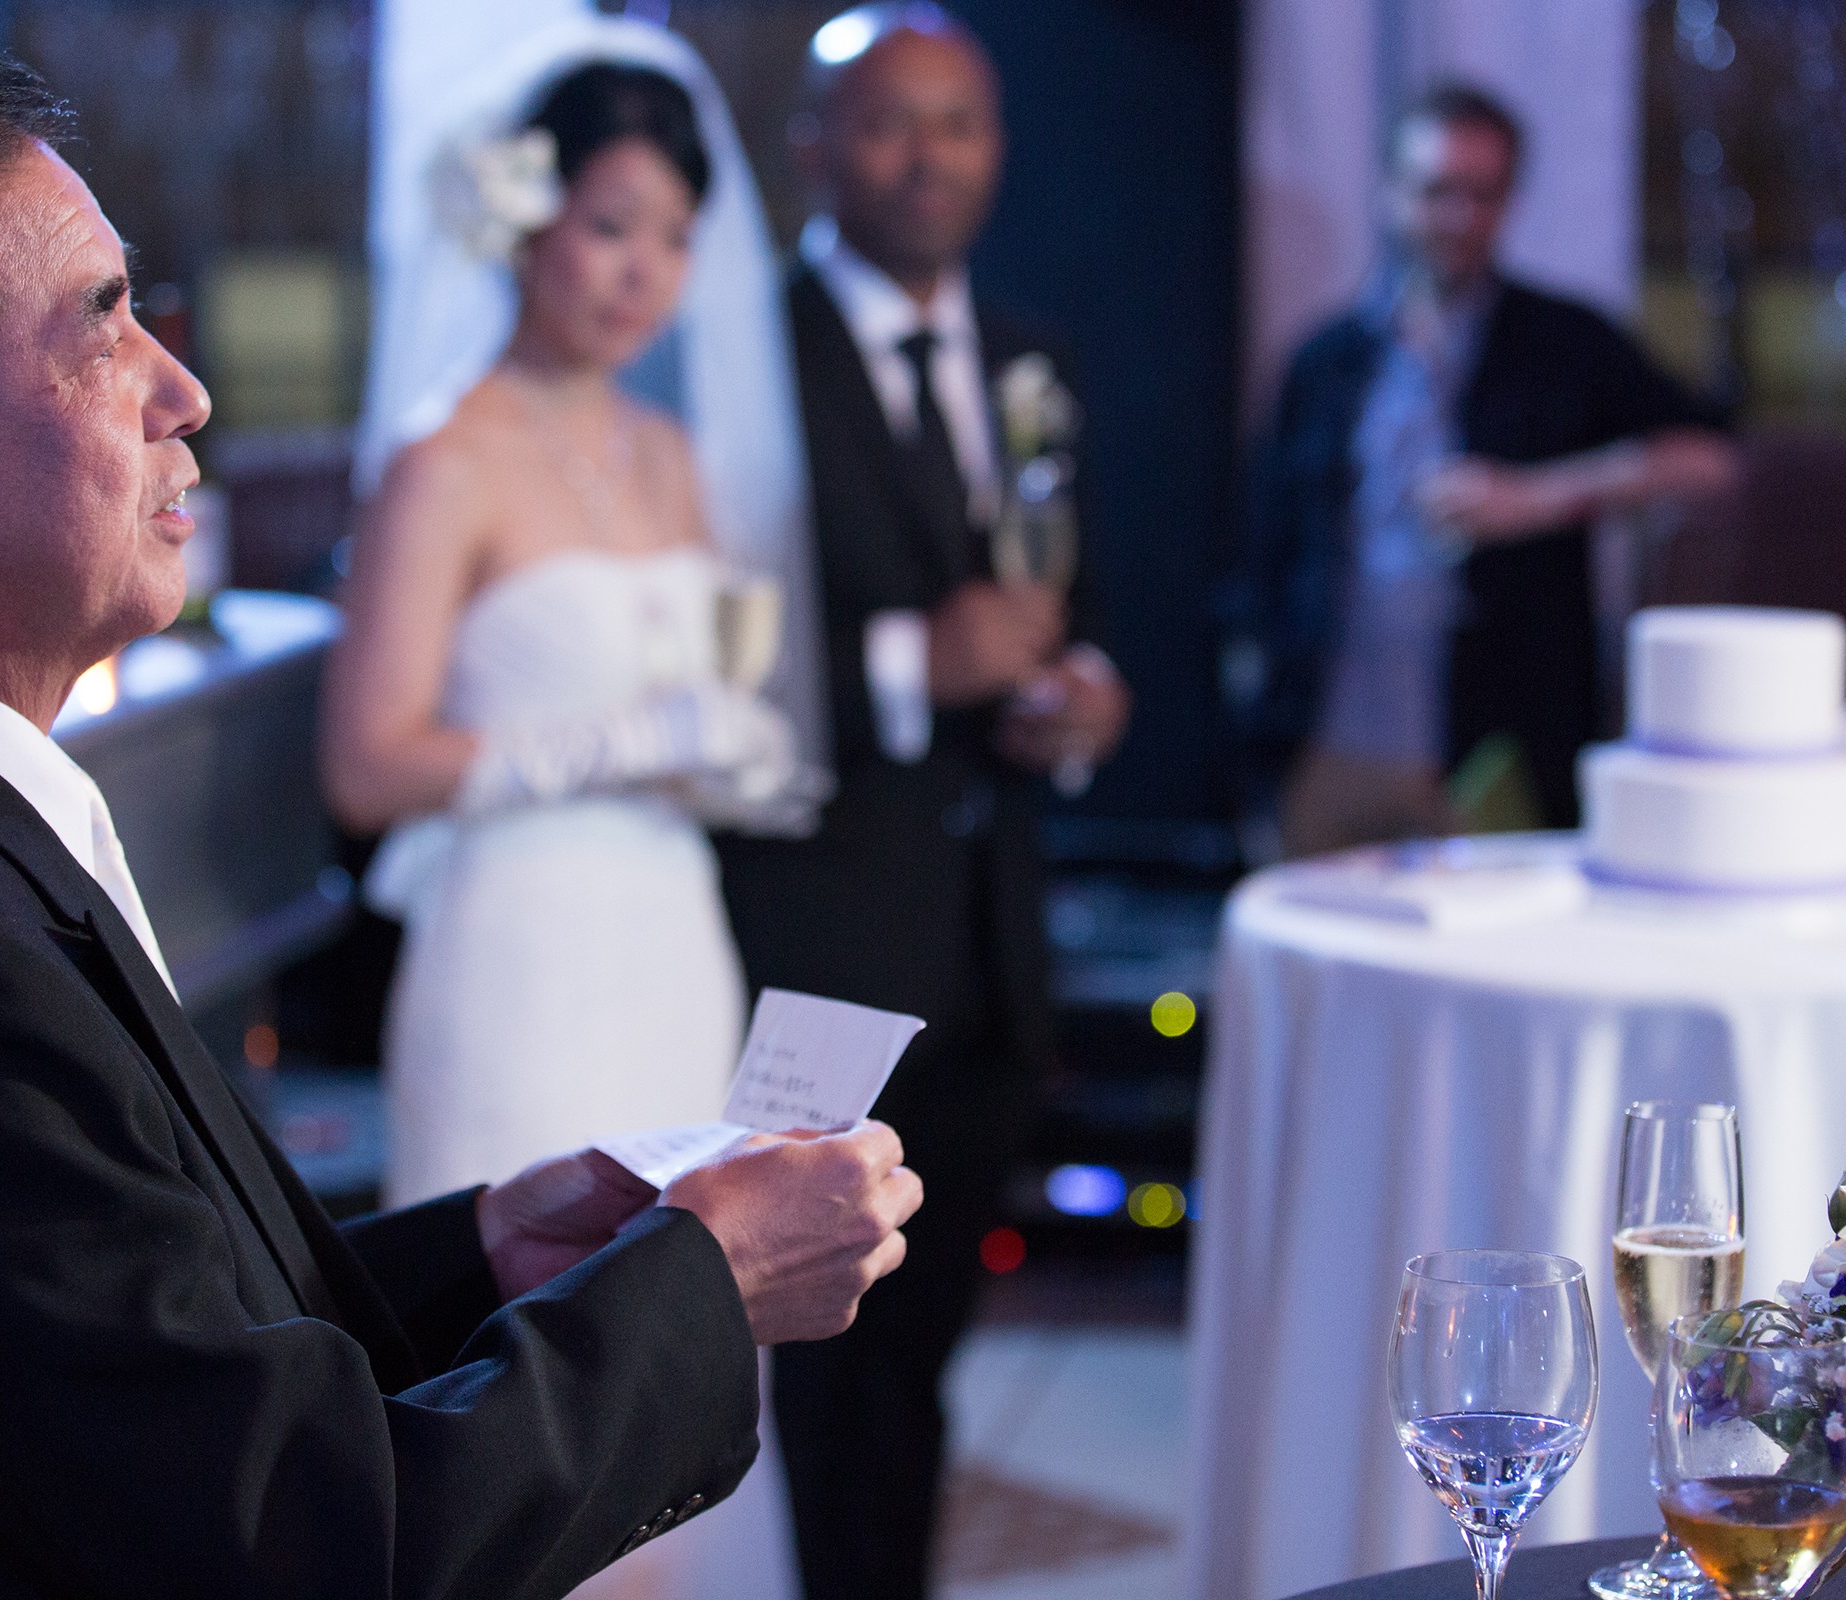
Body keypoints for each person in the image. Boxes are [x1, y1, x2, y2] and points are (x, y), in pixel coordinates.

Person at [0, 42, 921, 1599]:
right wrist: (706, 1289)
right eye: (100, 336)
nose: (186, 387)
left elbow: (139, 1358)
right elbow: (302, 1540)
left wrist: (490, 1251)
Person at [712, 10, 1129, 1600]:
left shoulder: (1034, 357)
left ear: (998, 147)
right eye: (890, 123)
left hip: (988, 943)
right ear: (816, 142)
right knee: (822, 1365)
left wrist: (1076, 697)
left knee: (929, 1355)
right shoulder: (746, 352)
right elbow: (705, 635)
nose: (928, 156)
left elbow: (1058, 600)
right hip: (820, 931)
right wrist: (911, 662)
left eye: (958, 124)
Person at [326, 58, 793, 1211]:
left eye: (677, 238)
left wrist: (731, 756)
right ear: (529, 222)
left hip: (677, 940)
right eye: (612, 226)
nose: (646, 273)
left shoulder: (668, 454)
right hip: (517, 960)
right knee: (527, 1328)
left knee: (687, 1304)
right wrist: (609, 747)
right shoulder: (443, 465)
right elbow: (366, 767)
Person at [1231, 82, 1737, 860]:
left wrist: (1539, 498)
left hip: (1490, 755)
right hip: (1327, 746)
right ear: (1391, 191)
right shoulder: (1328, 361)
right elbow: (1262, 556)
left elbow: (1709, 459)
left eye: (1483, 195)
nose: (1458, 218)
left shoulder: (1562, 342)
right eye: (1436, 192)